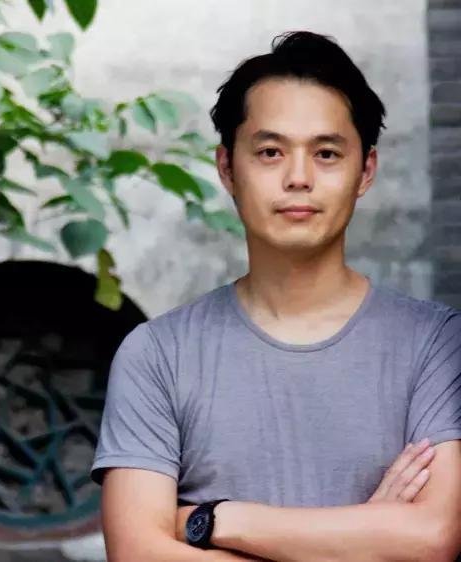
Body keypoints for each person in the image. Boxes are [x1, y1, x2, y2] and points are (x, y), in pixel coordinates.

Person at [90, 31, 461, 561]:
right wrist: (363, 541)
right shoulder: (157, 355)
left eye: (326, 153)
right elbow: (138, 554)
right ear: (227, 168)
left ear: (366, 171)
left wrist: (215, 519)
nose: (298, 178)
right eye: (270, 152)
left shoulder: (438, 345)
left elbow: (432, 538)